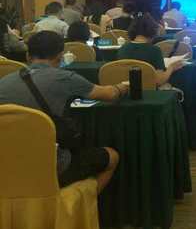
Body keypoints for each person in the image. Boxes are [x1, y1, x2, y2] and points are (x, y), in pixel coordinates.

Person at [0, 31, 126, 193]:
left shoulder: (4, 82)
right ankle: (77, 204)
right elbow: (110, 95)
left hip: (7, 165)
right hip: (53, 165)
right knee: (112, 156)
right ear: (60, 56)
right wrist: (122, 87)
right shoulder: (65, 78)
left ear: (28, 56)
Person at [117, 13, 184, 86]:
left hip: (127, 89)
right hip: (149, 90)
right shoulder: (154, 50)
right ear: (153, 31)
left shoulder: (123, 48)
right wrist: (171, 68)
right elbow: (159, 81)